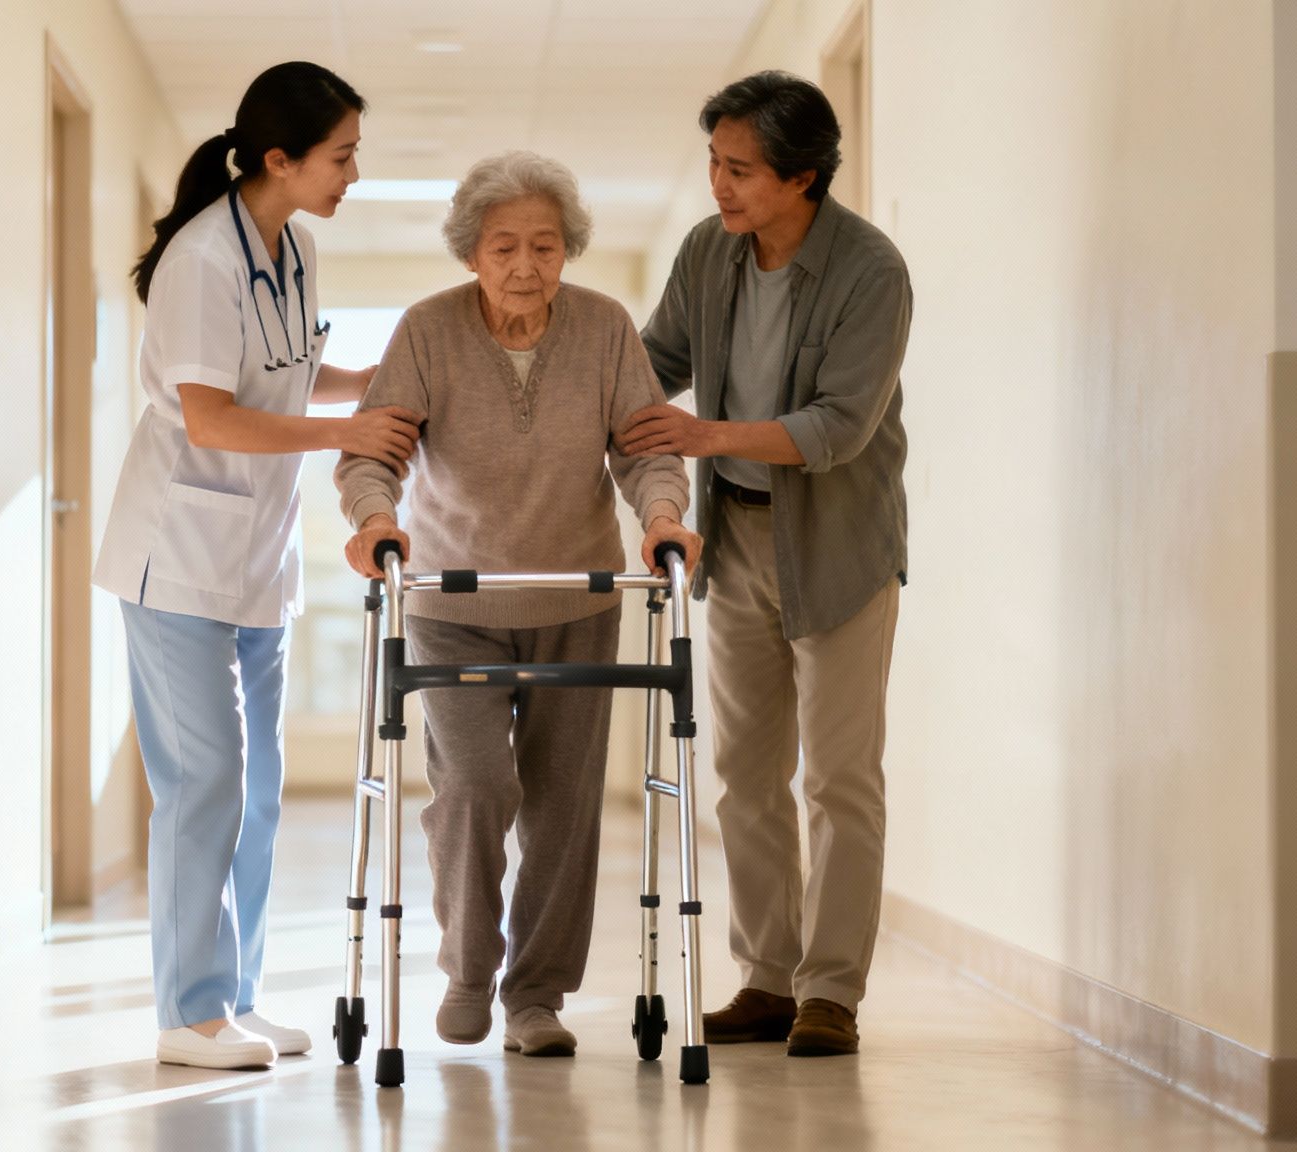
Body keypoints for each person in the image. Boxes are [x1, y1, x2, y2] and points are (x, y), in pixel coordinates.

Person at [94, 61, 424, 1071]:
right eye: (341, 155)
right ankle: (186, 1015)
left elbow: (279, 364)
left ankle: (234, 998)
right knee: (206, 783)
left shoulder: (293, 246)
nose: (352, 172)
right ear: (279, 158)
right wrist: (346, 430)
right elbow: (211, 413)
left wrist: (369, 378)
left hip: (254, 561)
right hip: (179, 558)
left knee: (259, 788)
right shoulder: (202, 258)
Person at [337, 151, 698, 1059]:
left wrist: (661, 519)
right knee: (476, 785)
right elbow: (371, 454)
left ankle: (535, 997)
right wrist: (376, 522)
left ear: (569, 250)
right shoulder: (427, 332)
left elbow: (646, 448)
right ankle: (468, 967)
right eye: (506, 246)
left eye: (545, 245)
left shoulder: (607, 329)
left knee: (565, 806)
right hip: (452, 601)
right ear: (472, 253)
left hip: (577, 598)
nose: (527, 265)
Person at [622, 70, 913, 1058]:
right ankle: (766, 978)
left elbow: (836, 427)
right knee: (744, 776)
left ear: (800, 177)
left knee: (837, 779)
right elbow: (654, 360)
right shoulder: (709, 253)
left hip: (835, 550)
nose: (718, 184)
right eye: (712, 162)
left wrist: (702, 437)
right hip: (737, 538)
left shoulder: (869, 272)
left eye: (738, 168)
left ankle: (829, 990)